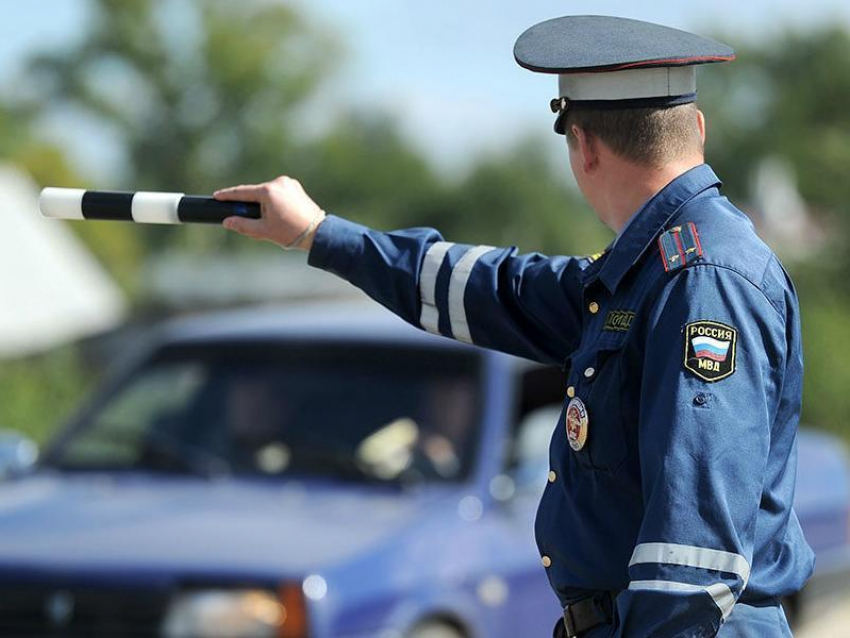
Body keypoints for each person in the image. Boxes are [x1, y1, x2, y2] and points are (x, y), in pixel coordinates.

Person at [214, 15, 814, 637]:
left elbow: (692, 561)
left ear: (583, 147)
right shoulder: (649, 271)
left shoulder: (700, 280)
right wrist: (319, 233)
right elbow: (494, 288)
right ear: (697, 128)